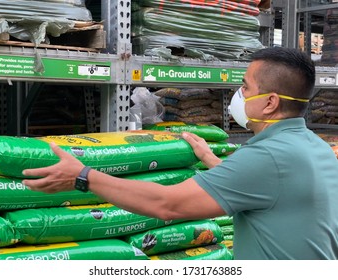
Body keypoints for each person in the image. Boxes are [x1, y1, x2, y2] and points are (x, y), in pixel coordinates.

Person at [22, 47, 338, 260]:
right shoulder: (314, 148)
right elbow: (266, 188)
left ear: (270, 103)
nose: (238, 95)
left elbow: (167, 205)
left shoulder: (268, 157)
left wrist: (83, 176)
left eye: (245, 87)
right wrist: (212, 160)